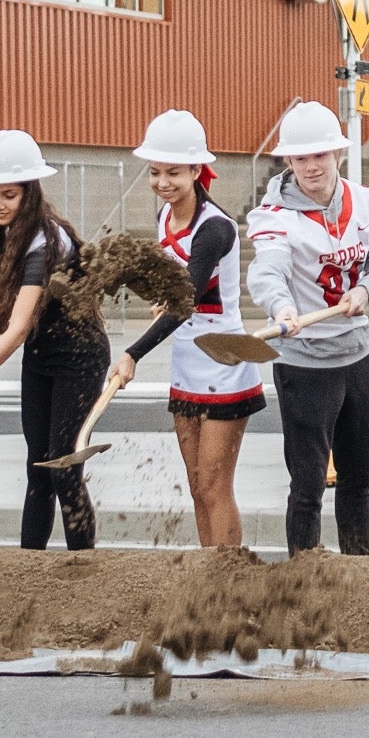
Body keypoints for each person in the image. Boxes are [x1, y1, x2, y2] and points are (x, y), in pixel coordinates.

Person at [247, 100, 369, 555]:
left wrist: (366, 290)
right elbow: (268, 271)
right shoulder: (275, 217)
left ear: (338, 154)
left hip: (356, 355)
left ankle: (358, 571)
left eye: (321, 155)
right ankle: (305, 580)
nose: (312, 166)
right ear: (288, 161)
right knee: (308, 484)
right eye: (301, 157)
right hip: (304, 361)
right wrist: (281, 308)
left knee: (359, 478)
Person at [109, 110, 261, 551]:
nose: (162, 182)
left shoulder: (213, 227)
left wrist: (133, 353)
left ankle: (228, 581)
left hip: (225, 359)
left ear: (197, 170)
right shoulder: (164, 217)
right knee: (197, 485)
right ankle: (206, 574)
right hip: (186, 360)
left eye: (173, 172)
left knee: (215, 486)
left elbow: (187, 298)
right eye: (155, 172)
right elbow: (174, 285)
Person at [0, 132, 97, 550]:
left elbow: (19, 325)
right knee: (37, 468)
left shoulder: (47, 242)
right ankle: (28, 569)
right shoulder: (0, 236)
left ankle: (86, 570)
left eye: (10, 195)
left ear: (30, 193)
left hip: (80, 356)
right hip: (42, 356)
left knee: (64, 468)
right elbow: (0, 318)